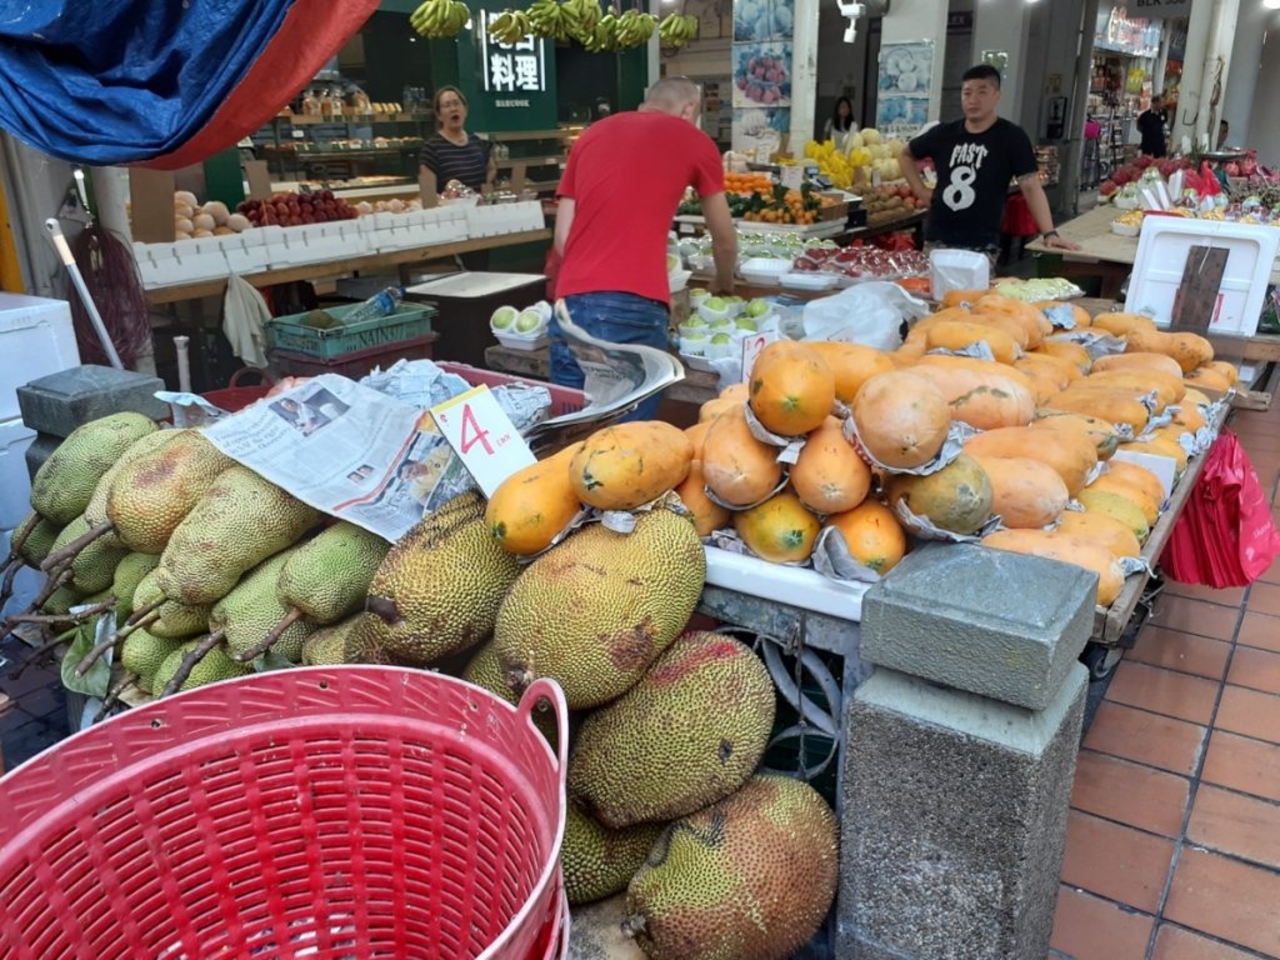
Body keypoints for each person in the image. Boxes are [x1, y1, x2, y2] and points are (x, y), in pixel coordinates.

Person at [550, 76, 737, 421]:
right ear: (690, 108)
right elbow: (724, 240)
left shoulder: (591, 135)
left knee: (570, 435)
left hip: (569, 306)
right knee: (623, 448)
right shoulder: (694, 140)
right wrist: (724, 283)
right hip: (631, 307)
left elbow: (563, 239)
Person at [899, 64, 1079, 263]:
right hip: (937, 239)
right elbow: (906, 154)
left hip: (982, 245)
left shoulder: (1011, 137)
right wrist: (920, 191)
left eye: (982, 92)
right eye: (967, 93)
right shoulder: (944, 133)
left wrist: (1050, 233)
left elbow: (1031, 186)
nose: (973, 100)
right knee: (931, 291)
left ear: (997, 96)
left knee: (976, 294)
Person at [419, 86, 495, 200]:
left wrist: (484, 192)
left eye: (456, 103)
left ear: (465, 110)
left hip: (479, 210)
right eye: (447, 105)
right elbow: (428, 192)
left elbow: (491, 168)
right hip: (451, 213)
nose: (453, 109)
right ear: (439, 115)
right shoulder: (431, 148)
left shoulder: (477, 142)